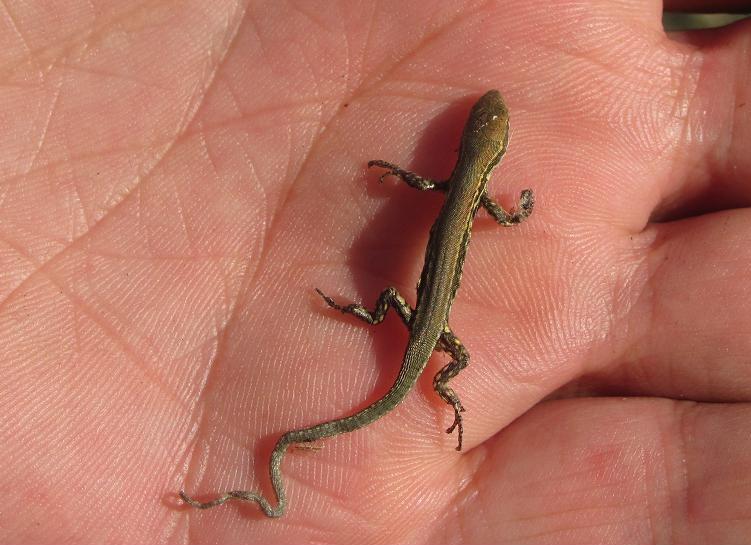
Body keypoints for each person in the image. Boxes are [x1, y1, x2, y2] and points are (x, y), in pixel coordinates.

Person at [2, 1, 749, 542]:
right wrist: (514, 214)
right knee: (430, 342)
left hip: (420, 316)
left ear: (471, 153)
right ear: (482, 158)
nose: (488, 124)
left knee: (416, 329)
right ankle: (363, 420)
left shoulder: (451, 184)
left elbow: (434, 193)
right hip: (423, 320)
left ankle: (291, 469)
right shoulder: (471, 193)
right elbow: (484, 213)